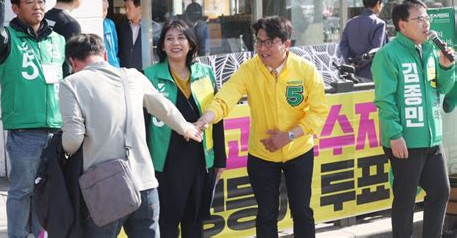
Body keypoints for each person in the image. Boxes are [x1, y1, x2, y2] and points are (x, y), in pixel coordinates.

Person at [59, 33, 204, 238]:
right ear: (105, 55)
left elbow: (73, 139)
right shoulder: (132, 76)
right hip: (144, 182)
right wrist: (187, 129)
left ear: (72, 61)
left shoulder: (71, 83)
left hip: (104, 187)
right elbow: (164, 108)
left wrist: (60, 153)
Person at [197, 16, 328, 238]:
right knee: (266, 214)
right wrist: (205, 119)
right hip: (262, 154)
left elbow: (319, 112)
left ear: (286, 44)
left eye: (269, 42)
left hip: (298, 151)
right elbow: (225, 98)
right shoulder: (249, 69)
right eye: (259, 42)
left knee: (302, 211)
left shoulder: (305, 70)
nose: (262, 48)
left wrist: (288, 136)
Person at [0, 0, 65, 238]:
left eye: (41, 1)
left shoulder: (57, 40)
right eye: (29, 2)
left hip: (56, 130)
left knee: (48, 190)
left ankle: (39, 234)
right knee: (22, 190)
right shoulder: (8, 37)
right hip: (24, 132)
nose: (37, 6)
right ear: (16, 8)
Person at [371, 0, 455, 238]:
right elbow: (385, 100)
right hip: (405, 141)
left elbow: (443, 88)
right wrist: (395, 135)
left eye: (427, 18)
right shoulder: (388, 55)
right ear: (402, 25)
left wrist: (447, 67)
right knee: (405, 200)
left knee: (440, 192)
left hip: (432, 138)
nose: (426, 23)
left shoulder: (429, 50)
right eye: (420, 19)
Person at [143, 19, 226, 238]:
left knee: (194, 224)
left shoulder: (206, 73)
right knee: (166, 225)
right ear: (161, 46)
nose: (175, 43)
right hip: (164, 163)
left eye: (181, 38)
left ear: (191, 43)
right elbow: (141, 124)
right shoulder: (148, 76)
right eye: (169, 38)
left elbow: (216, 117)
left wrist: (220, 160)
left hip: (199, 161)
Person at [339, 0, 389, 81]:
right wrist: (359, 63)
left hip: (352, 73)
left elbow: (343, 45)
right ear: (378, 3)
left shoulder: (350, 22)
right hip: (372, 73)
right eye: (381, 4)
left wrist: (351, 64)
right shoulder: (379, 24)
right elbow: (375, 49)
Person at [45, 0, 86, 76]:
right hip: (61, 79)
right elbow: (73, 60)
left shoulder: (43, 17)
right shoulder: (70, 24)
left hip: (41, 76)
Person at [118, 0, 145, 70]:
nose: (126, 11)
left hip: (145, 72)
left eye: (129, 8)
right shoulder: (122, 27)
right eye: (125, 8)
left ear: (139, 8)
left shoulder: (152, 28)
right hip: (125, 72)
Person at [102, 0, 120, 67]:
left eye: (105, 10)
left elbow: (115, 46)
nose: (103, 13)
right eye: (100, 10)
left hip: (113, 64)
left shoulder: (109, 24)